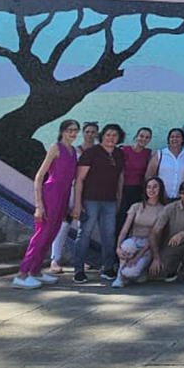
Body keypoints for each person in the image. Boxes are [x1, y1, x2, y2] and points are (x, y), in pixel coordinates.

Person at [13, 118, 79, 288]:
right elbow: (39, 177)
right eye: (70, 130)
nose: (73, 133)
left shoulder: (73, 151)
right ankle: (21, 275)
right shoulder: (55, 148)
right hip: (51, 195)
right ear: (62, 131)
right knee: (41, 236)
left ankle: (35, 271)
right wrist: (39, 205)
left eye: (75, 130)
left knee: (51, 234)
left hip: (63, 197)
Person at [71, 124, 126, 283]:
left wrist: (119, 198)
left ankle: (107, 268)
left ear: (119, 137)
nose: (111, 138)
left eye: (114, 135)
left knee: (108, 235)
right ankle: (78, 270)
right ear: (102, 136)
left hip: (109, 201)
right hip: (90, 200)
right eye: (108, 134)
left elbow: (120, 178)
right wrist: (77, 203)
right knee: (84, 234)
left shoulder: (119, 154)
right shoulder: (91, 153)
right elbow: (79, 180)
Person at [48, 119, 99, 275]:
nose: (90, 135)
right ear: (83, 133)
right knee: (63, 224)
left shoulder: (99, 151)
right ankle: (55, 259)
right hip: (69, 191)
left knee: (82, 227)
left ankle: (80, 260)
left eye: (93, 132)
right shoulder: (73, 150)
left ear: (97, 134)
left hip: (89, 193)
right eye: (87, 131)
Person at [111, 176, 170, 288]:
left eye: (155, 187)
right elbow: (124, 230)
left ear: (160, 189)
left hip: (148, 246)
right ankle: (119, 277)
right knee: (127, 245)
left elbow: (155, 236)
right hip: (133, 241)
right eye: (149, 187)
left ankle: (138, 272)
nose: (151, 190)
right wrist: (118, 247)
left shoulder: (163, 210)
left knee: (132, 273)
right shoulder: (136, 206)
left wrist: (137, 257)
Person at [146, 127, 184, 202]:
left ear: (183, 139)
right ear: (168, 139)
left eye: (178, 136)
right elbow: (149, 175)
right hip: (160, 198)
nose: (175, 139)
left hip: (181, 199)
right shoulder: (159, 154)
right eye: (172, 137)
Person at [119, 127, 154, 212]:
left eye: (147, 137)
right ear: (136, 137)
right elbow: (120, 172)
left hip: (139, 189)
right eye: (141, 136)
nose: (144, 139)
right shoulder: (124, 150)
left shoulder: (148, 153)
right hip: (123, 188)